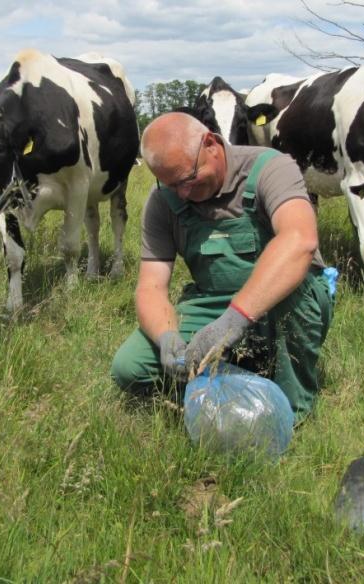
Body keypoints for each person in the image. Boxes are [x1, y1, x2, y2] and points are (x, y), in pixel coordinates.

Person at [110, 112, 333, 419]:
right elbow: (151, 286)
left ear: (211, 144)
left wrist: (234, 320)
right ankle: (230, 377)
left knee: (289, 290)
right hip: (213, 302)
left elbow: (299, 241)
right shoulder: (163, 199)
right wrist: (166, 337)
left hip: (286, 301)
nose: (183, 194)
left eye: (188, 179)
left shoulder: (270, 167)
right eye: (170, 185)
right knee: (130, 368)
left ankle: (289, 410)